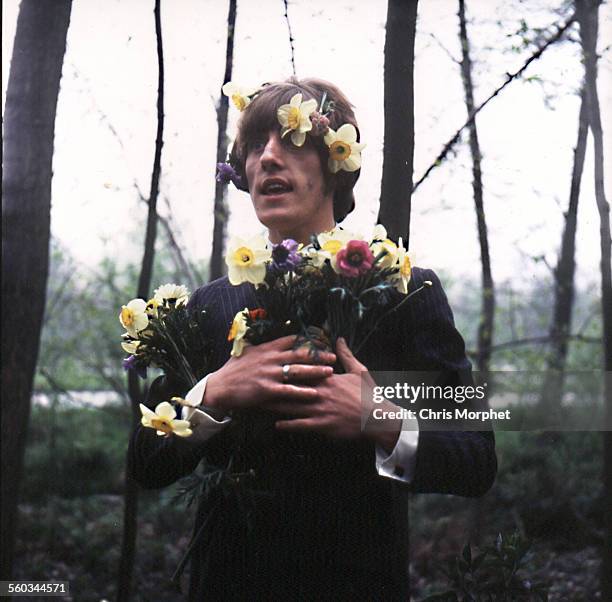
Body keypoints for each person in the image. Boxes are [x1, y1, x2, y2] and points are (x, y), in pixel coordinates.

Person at [128, 77, 497, 600]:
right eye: (255, 145)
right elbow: (146, 460)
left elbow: (477, 460)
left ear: (335, 162)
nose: (268, 158)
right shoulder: (207, 308)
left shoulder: (405, 294)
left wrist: (382, 419)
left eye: (293, 141)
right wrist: (211, 396)